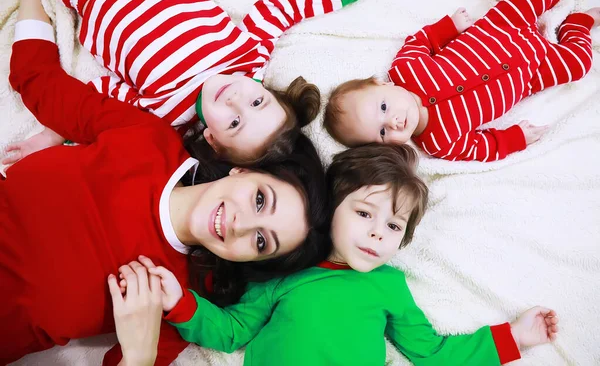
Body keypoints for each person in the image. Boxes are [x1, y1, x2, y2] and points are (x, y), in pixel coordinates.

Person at [0, 0, 330, 365]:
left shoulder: (180, 299)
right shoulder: (147, 136)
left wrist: (138, 355)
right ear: (243, 170)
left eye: (261, 242)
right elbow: (37, 80)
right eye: (260, 200)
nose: (242, 225)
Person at [124, 144, 559, 365]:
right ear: (331, 210)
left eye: (393, 226)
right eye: (364, 212)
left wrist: (514, 338)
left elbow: (432, 353)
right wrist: (181, 305)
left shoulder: (389, 284)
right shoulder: (288, 271)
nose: (377, 232)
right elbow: (234, 330)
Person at [2, 0, 390, 168]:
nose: (236, 100)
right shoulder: (248, 56)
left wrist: (52, 135)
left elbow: (96, 98)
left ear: (213, 141)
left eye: (234, 122)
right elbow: (284, 6)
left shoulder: (165, 113)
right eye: (257, 102)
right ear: (265, 88)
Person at [323, 0, 600, 162]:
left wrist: (451, 26)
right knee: (579, 64)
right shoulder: (438, 143)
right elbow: (483, 147)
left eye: (383, 107)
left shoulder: (404, 70)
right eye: (382, 133)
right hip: (531, 73)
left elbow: (422, 42)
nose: (393, 122)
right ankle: (578, 25)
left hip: (498, 28)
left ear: (381, 83)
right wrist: (517, 138)